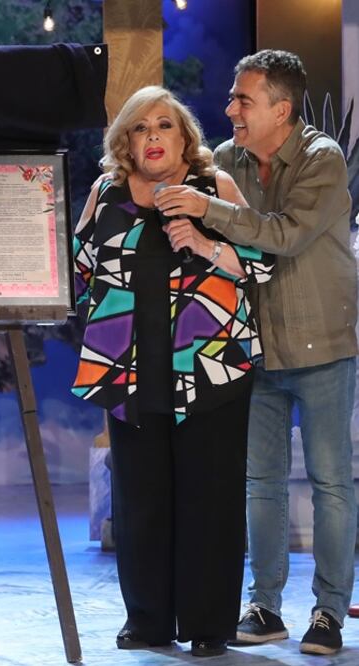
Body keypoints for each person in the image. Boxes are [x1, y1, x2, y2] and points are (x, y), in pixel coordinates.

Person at [155, 50, 358, 656]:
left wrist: (206, 208)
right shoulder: (225, 159)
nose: (230, 110)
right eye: (232, 98)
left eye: (243, 100)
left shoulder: (323, 159)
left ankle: (328, 612)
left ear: (281, 109)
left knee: (330, 483)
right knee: (260, 483)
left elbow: (285, 235)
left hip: (321, 346)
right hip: (251, 348)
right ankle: (264, 604)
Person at [72, 85, 274, 657]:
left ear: (185, 137)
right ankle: (148, 621)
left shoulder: (215, 187)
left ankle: (209, 624)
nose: (153, 136)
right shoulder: (107, 192)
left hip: (211, 367)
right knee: (140, 501)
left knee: (209, 498)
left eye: (164, 125)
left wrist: (205, 244)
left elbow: (259, 264)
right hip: (129, 370)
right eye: (140, 128)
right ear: (126, 142)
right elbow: (80, 267)